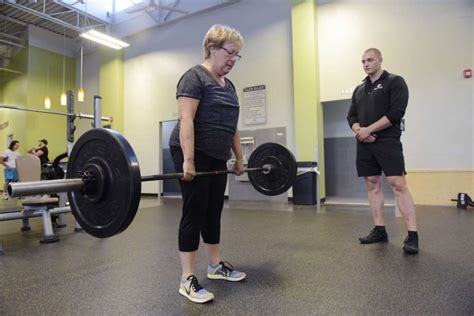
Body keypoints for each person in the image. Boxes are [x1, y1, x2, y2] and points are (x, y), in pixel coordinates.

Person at [168, 24, 246, 303]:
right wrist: (188, 160)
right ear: (212, 48)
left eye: (237, 56)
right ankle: (186, 278)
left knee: (214, 209)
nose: (233, 60)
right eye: (230, 53)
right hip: (192, 151)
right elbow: (185, 119)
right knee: (195, 210)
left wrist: (238, 157)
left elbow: (231, 126)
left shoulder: (230, 85)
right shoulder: (194, 77)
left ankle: (215, 266)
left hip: (216, 154)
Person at [346, 48, 419, 254]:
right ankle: (380, 230)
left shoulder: (395, 81)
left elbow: (396, 112)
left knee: (398, 184)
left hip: (387, 141)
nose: (366, 64)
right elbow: (351, 117)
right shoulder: (359, 89)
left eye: (370, 60)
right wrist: (360, 131)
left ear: (380, 60)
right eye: (363, 61)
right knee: (372, 184)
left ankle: (412, 234)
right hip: (364, 143)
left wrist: (369, 129)